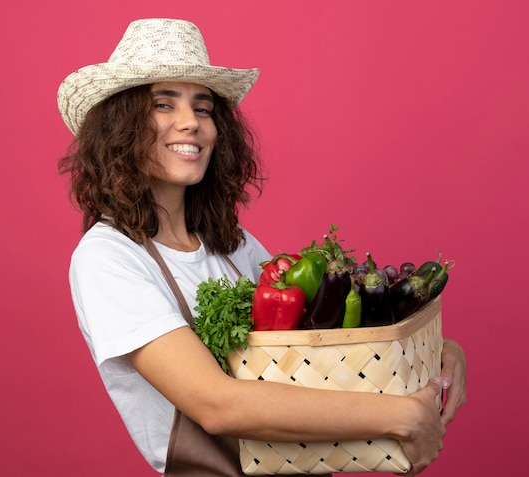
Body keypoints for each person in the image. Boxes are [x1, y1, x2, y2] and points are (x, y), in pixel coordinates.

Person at [57, 18, 467, 477]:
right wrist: (400, 415)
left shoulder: (233, 245)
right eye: (162, 104)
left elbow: (318, 345)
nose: (190, 123)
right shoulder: (108, 258)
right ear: (120, 126)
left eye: (204, 107)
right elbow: (216, 404)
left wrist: (434, 353)